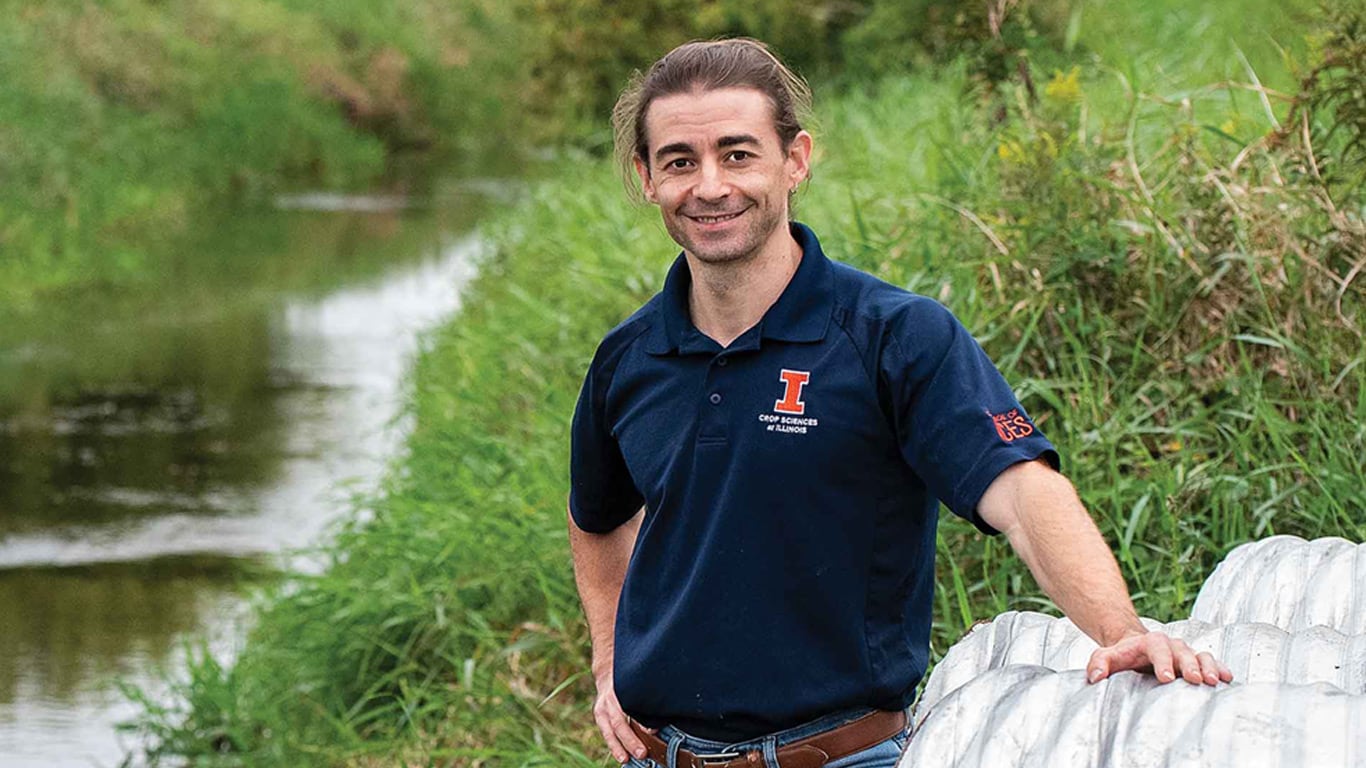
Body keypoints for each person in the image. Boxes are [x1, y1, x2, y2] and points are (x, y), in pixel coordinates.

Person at [567, 38, 1232, 768]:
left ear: (796, 160)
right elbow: (596, 516)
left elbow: (1020, 493)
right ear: (647, 177)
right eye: (680, 162)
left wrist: (1119, 630)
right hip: (658, 756)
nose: (711, 186)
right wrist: (609, 663)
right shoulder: (628, 359)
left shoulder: (893, 336)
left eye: (738, 153)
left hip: (847, 755)